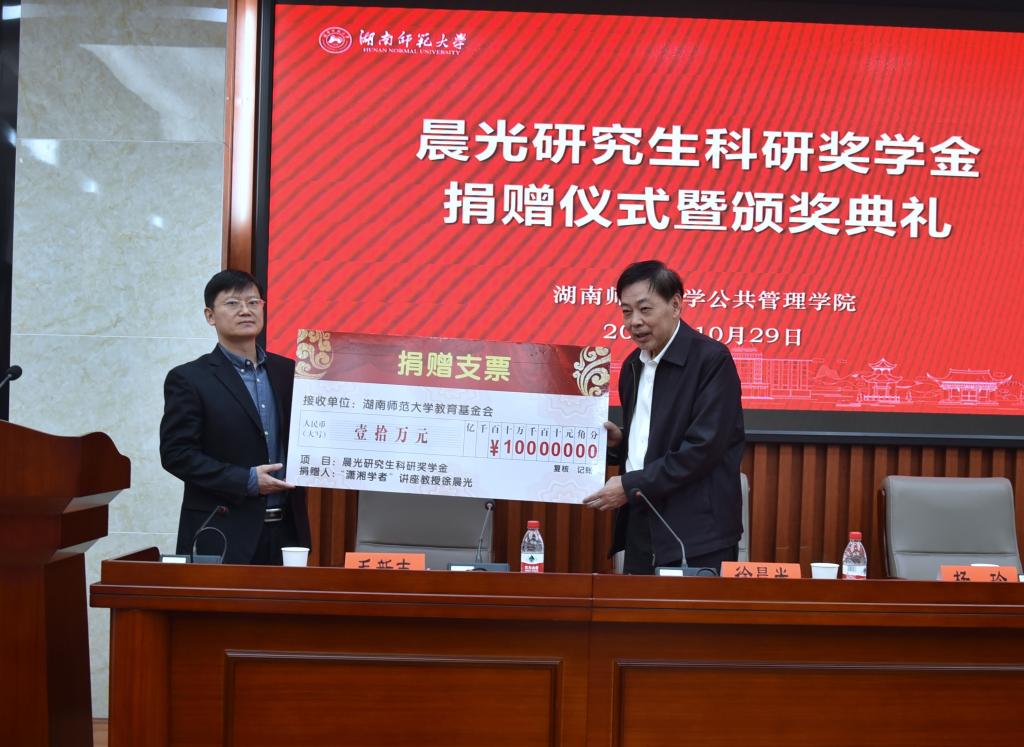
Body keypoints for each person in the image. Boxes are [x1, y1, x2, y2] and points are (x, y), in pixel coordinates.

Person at [583, 260, 745, 574]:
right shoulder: (632, 366)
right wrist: (620, 442)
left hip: (697, 533)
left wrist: (630, 485)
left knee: (690, 609)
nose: (635, 322)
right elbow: (654, 436)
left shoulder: (712, 360)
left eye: (645, 309)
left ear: (675, 305)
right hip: (642, 522)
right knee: (637, 607)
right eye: (626, 311)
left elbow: (703, 448)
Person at [160, 269, 310, 564]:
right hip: (222, 532)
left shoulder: (289, 372)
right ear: (210, 315)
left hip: (287, 534)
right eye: (232, 303)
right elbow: (177, 455)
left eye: (253, 302)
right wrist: (247, 480)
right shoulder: (189, 378)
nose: (245, 310)